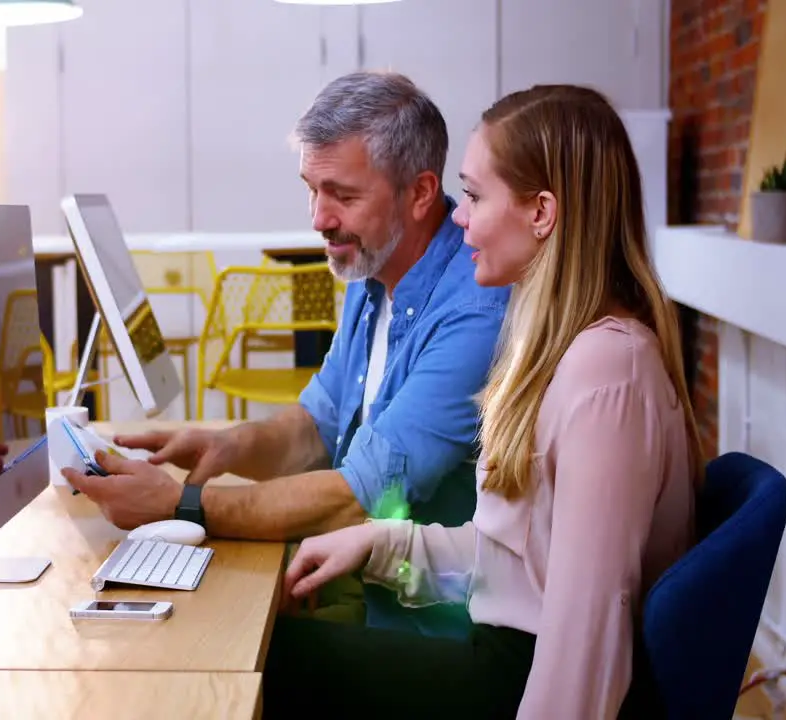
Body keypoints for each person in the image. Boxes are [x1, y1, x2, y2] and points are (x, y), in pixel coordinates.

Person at [258, 84, 703, 719]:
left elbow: (587, 640)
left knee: (272, 664)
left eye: (472, 196)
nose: (458, 217)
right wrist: (382, 545)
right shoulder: (559, 350)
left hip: (519, 680)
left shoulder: (609, 372)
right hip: (502, 653)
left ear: (541, 213)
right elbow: (516, 568)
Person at [61, 71, 511, 637]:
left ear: (420, 193)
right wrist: (224, 447)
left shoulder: (475, 311)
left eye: (343, 195)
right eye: (312, 189)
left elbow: (362, 499)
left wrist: (182, 505)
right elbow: (316, 428)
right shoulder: (372, 270)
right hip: (373, 599)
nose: (319, 219)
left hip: (434, 632)